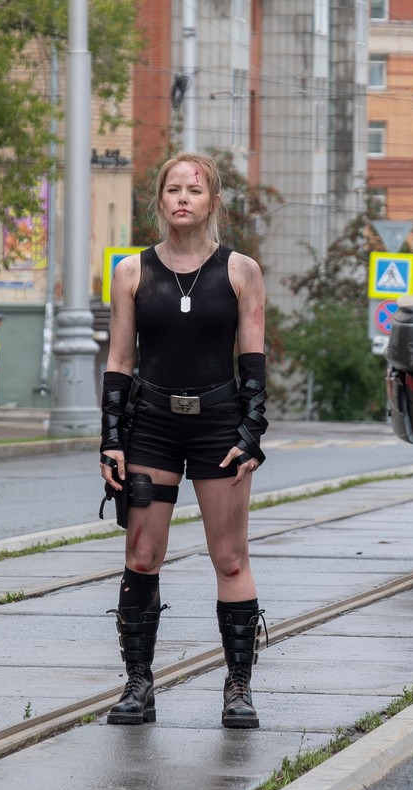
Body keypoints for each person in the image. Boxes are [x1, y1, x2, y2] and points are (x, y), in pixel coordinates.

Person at [99, 152, 269, 730]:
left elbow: (253, 361)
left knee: (230, 558)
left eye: (194, 191)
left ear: (212, 202)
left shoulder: (240, 271)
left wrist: (251, 433)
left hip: (220, 427)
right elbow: (120, 360)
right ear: (161, 200)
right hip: (151, 427)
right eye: (172, 189)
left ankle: (239, 687)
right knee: (141, 557)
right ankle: (138, 685)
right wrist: (112, 440)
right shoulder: (131, 273)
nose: (182, 198)